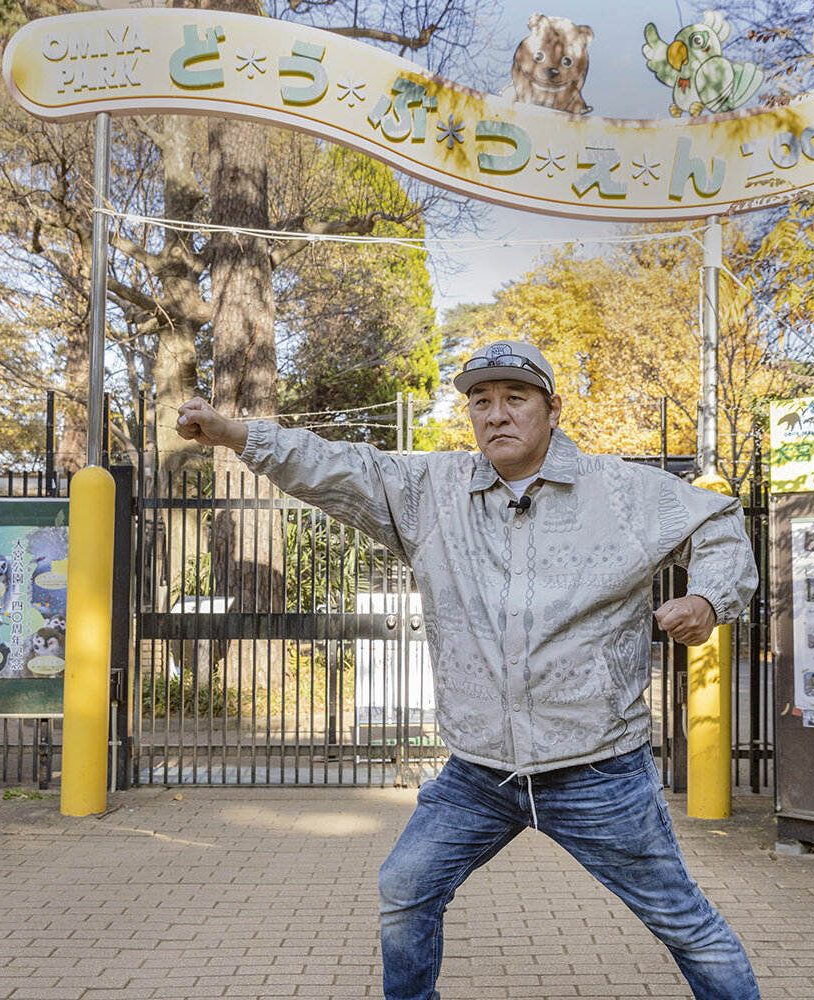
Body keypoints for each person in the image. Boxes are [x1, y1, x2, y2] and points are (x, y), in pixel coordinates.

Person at [177, 340, 761, 1000]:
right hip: (479, 773)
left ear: (552, 410)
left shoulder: (621, 491)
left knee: (684, 923)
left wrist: (708, 597)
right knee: (404, 888)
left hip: (597, 770)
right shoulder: (434, 493)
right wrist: (234, 435)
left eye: (516, 398)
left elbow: (717, 521)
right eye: (481, 401)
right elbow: (336, 466)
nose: (497, 414)